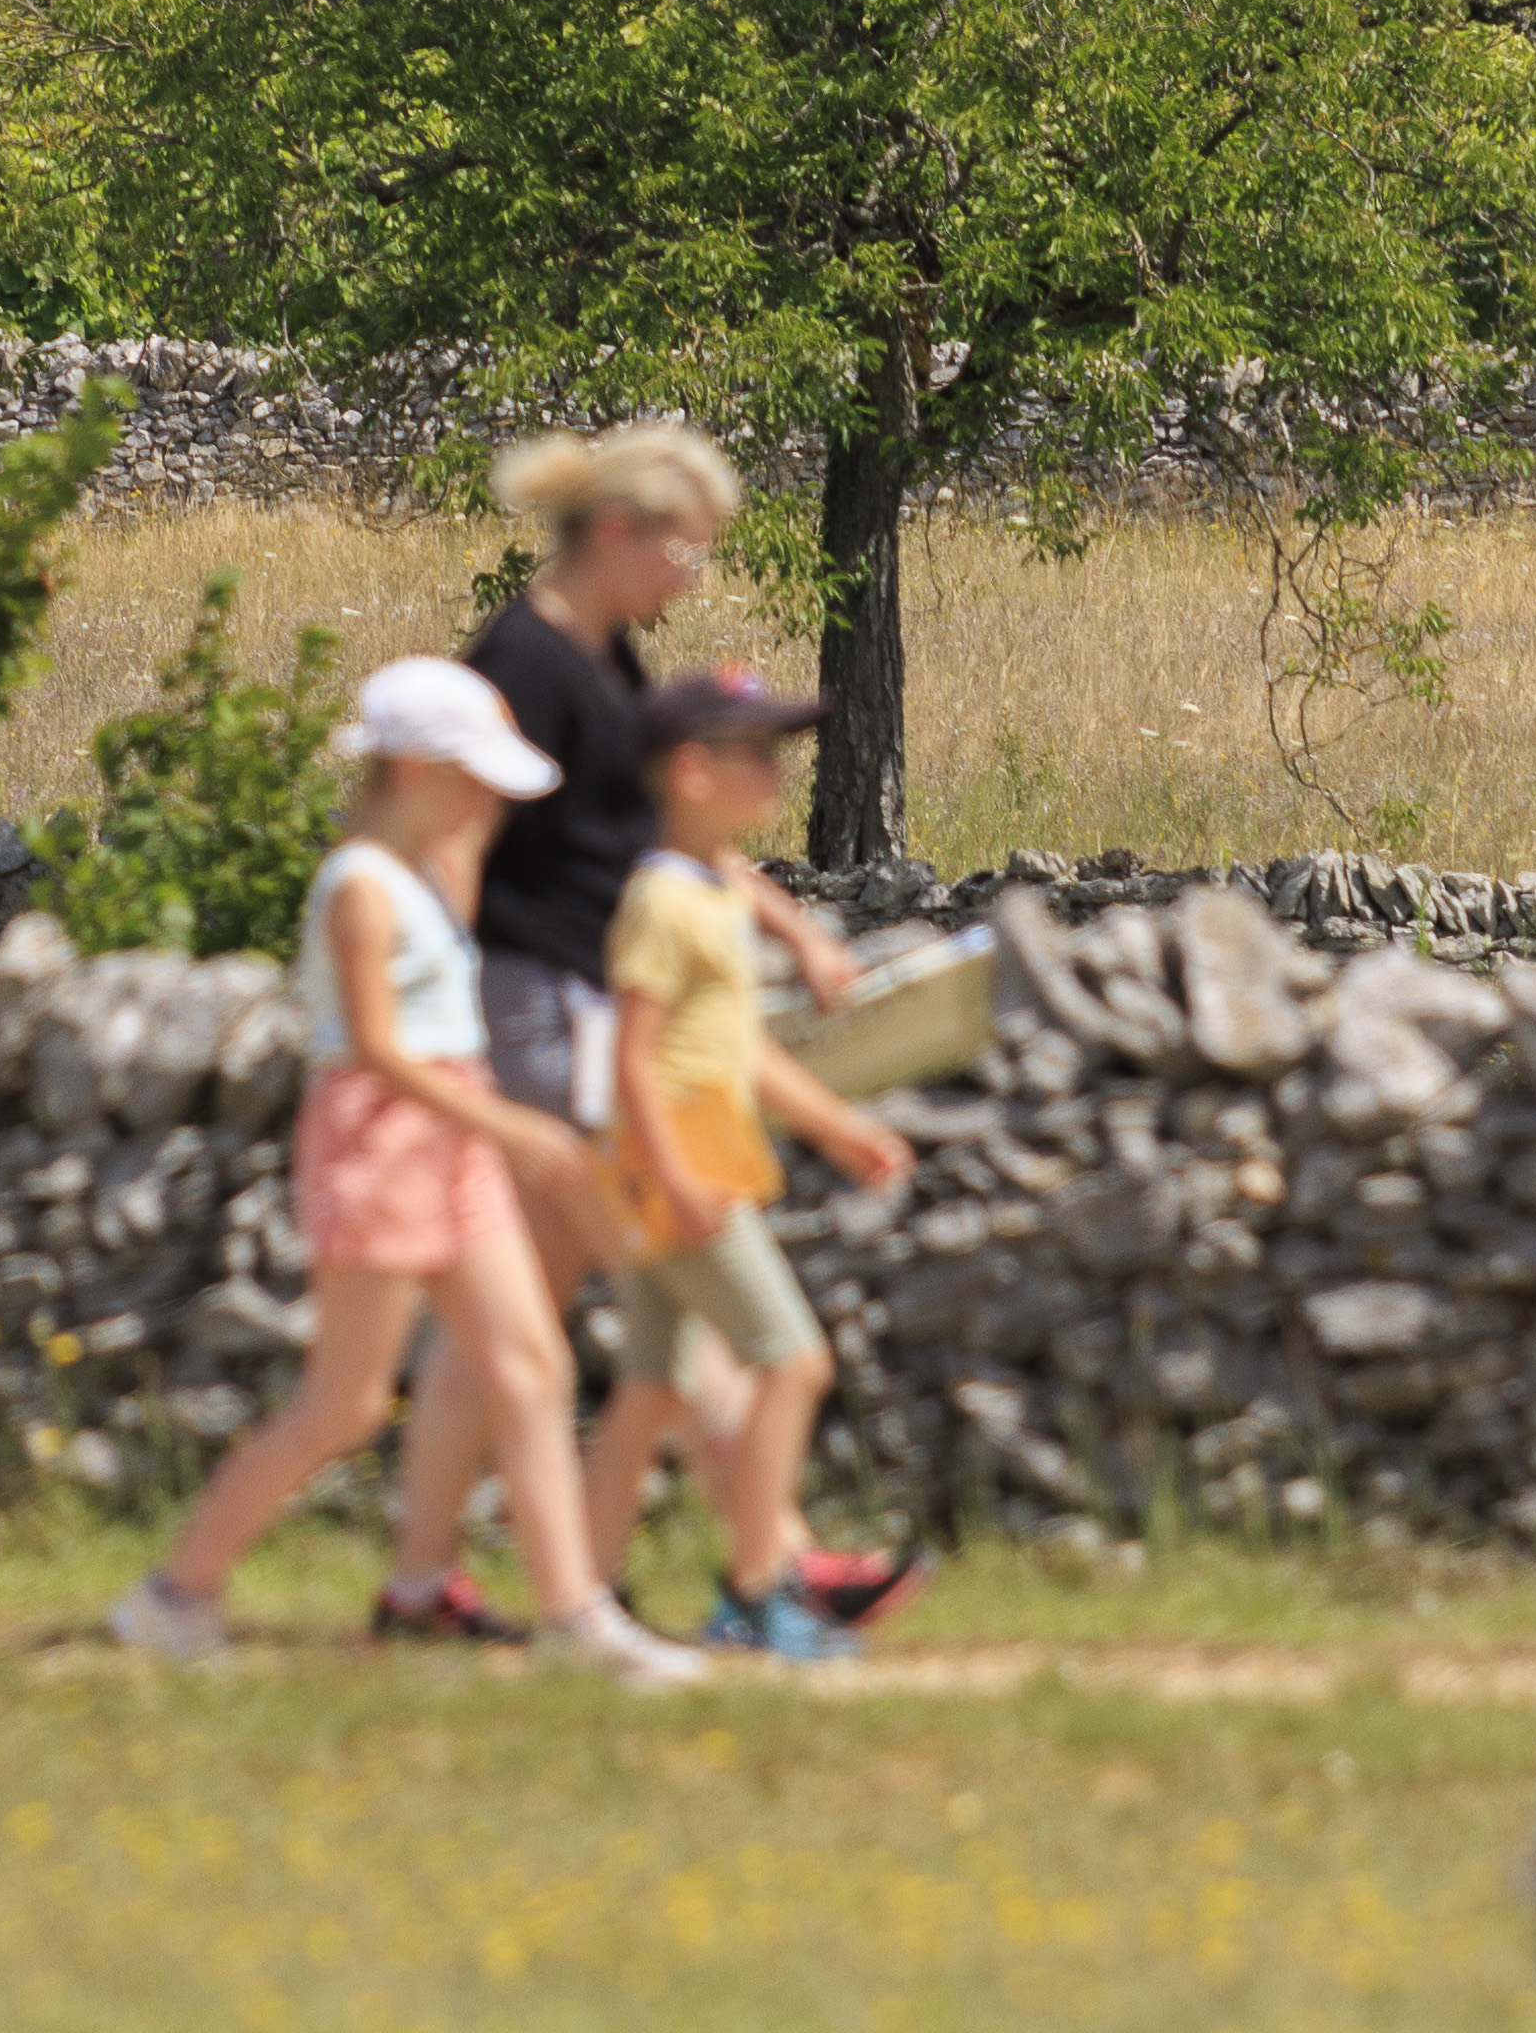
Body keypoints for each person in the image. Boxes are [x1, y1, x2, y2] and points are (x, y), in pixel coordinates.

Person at [381, 422, 909, 1645]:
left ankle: (434, 1583)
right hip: (535, 1007)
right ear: (616, 531)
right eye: (685, 546)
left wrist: (788, 928)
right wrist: (443, 997)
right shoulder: (523, 662)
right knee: (608, 1283)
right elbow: (460, 835)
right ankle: (764, 1568)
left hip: (576, 1002)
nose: (692, 572)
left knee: (548, 1308)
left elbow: (658, 835)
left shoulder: (601, 652)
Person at [97, 659, 712, 1684]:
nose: (488, 802)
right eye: (472, 779)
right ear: (418, 769)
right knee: (343, 1405)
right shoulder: (358, 888)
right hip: (382, 1142)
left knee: (532, 1366)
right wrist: (510, 1127)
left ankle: (574, 1615)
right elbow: (376, 1051)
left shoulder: (419, 873)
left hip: (452, 1134)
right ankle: (174, 1595)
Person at [574, 669, 924, 1663]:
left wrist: (834, 1126)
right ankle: (756, 1587)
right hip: (682, 1174)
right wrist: (676, 1177)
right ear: (691, 771)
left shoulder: (706, 890)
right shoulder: (662, 901)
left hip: (679, 1169)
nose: (777, 773)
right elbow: (632, 1059)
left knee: (650, 1386)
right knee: (792, 1360)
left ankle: (580, 1596)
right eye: (757, 755)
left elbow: (738, 1049)